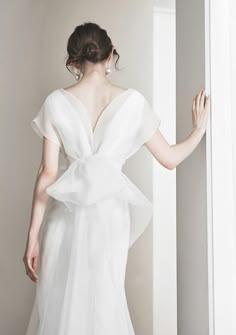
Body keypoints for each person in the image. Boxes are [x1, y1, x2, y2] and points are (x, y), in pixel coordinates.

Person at [23, 22, 210, 334]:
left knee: (59, 308)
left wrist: (32, 236)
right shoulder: (133, 103)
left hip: (64, 216)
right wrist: (199, 130)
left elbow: (48, 173)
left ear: (73, 62)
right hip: (109, 218)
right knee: (103, 305)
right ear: (110, 57)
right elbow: (170, 159)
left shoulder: (56, 102)